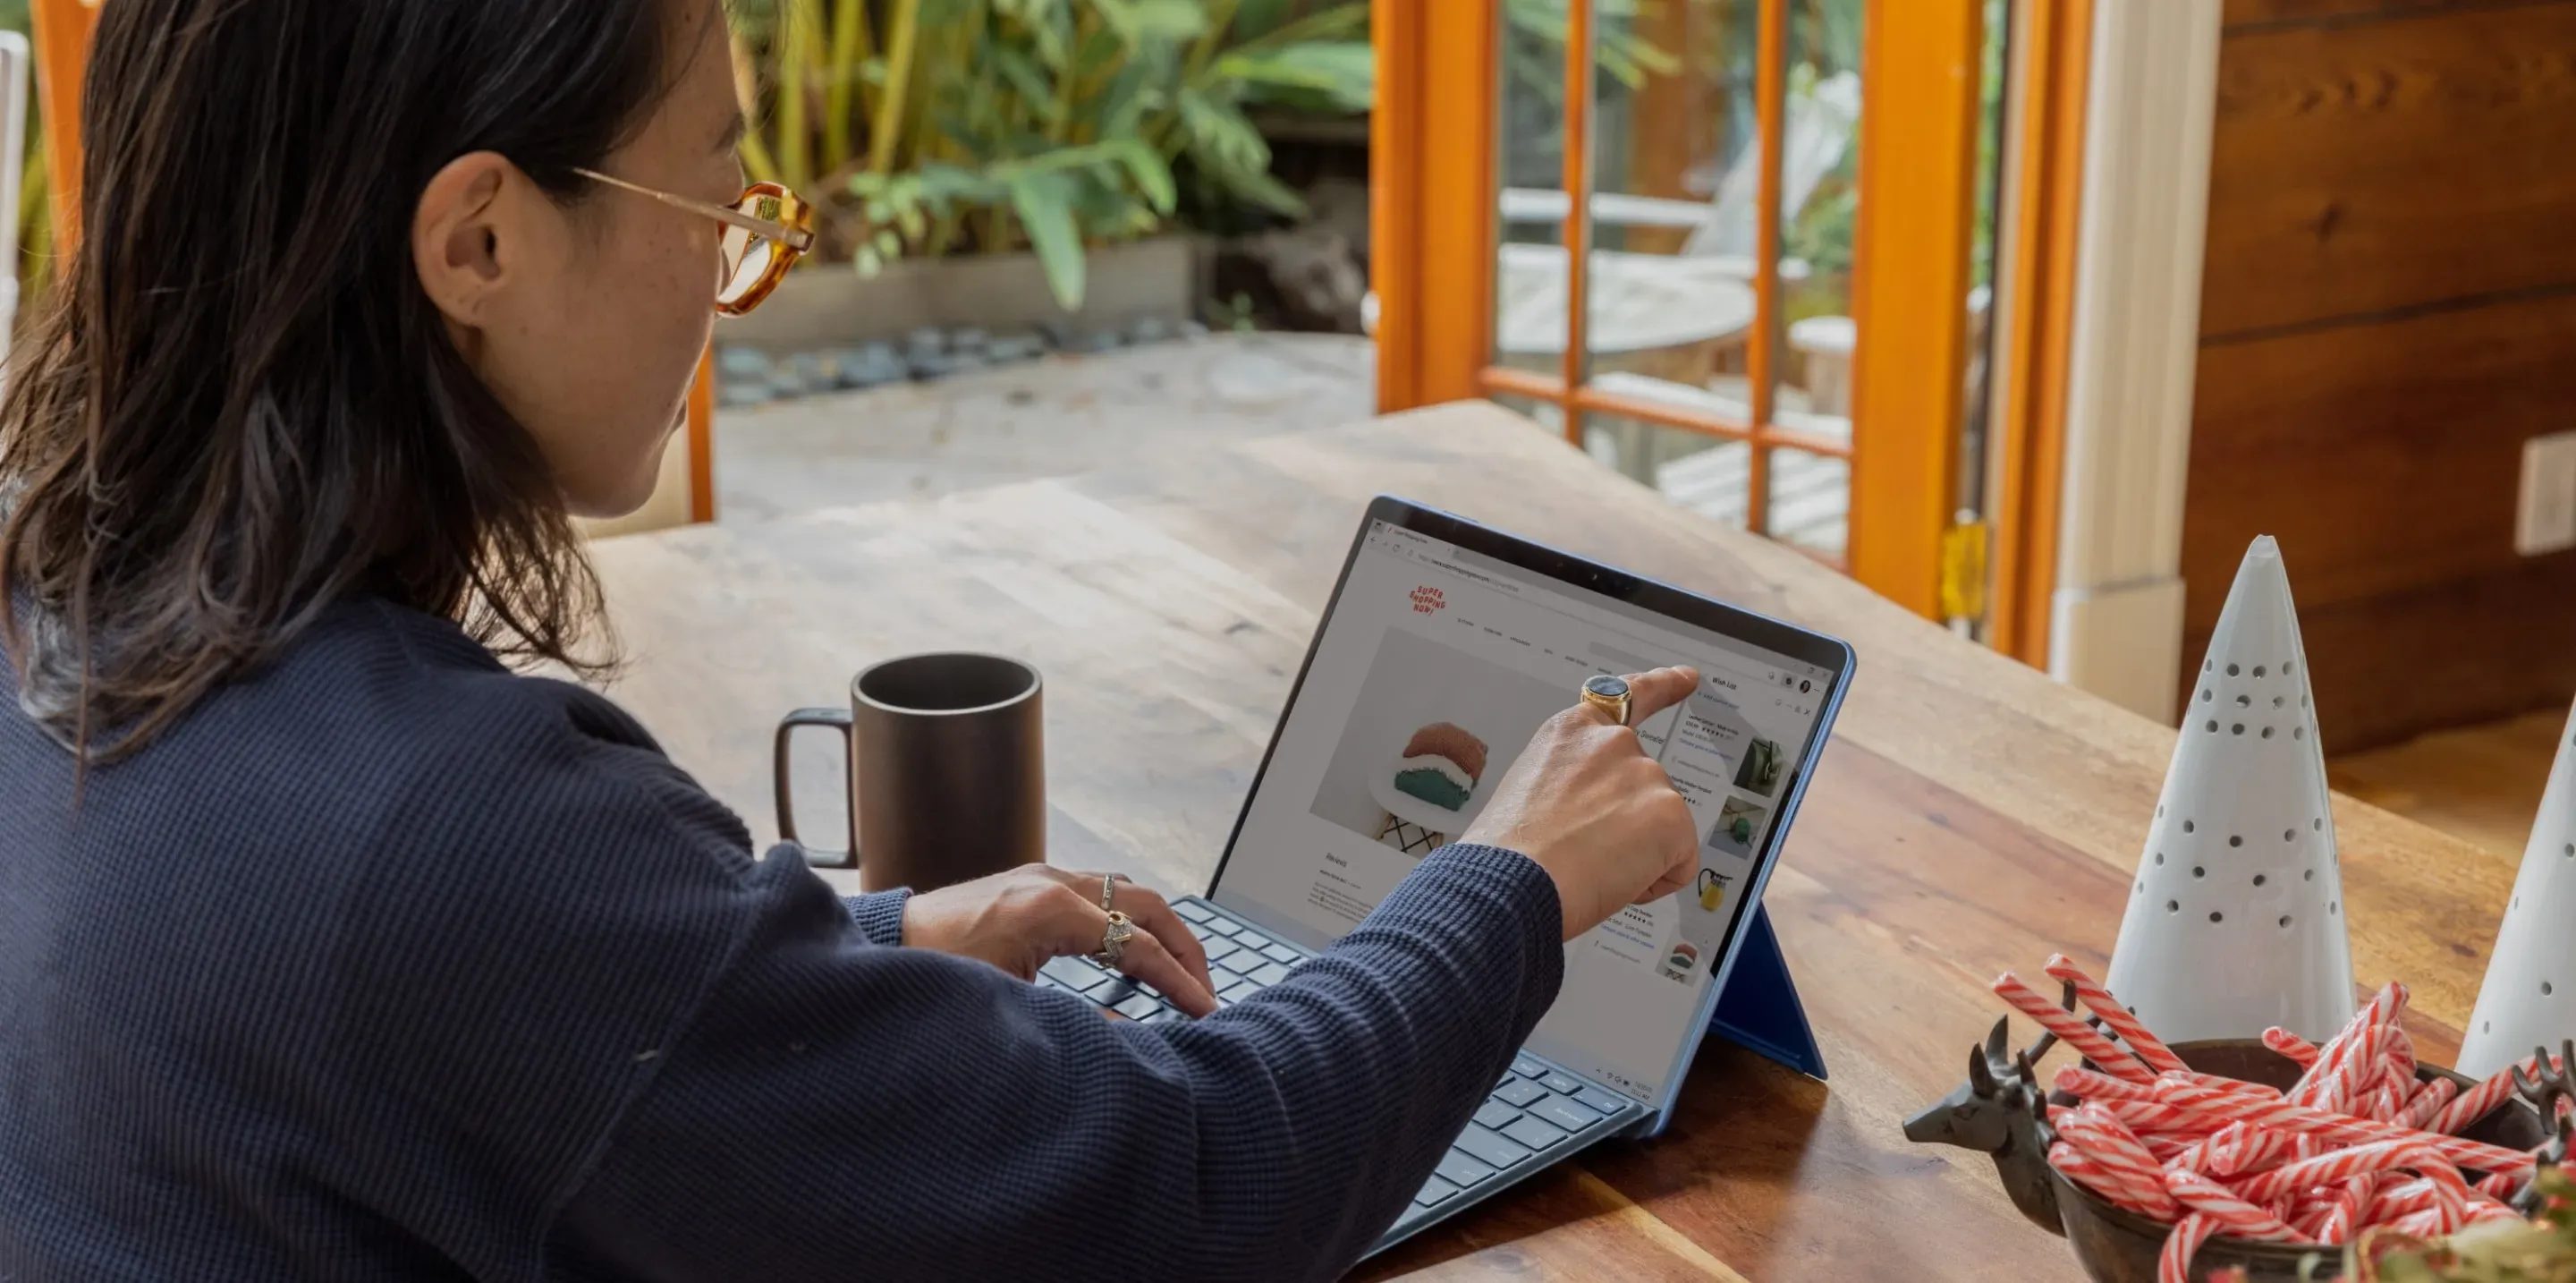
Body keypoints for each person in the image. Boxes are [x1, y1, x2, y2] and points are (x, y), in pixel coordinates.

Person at [0, 2, 1704, 1279]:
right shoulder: (450, 822)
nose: (730, 283)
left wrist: (856, 957)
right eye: (715, 204)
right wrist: (1516, 878)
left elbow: (448, 1036)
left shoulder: (55, 610)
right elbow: (1187, 1189)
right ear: (481, 241)